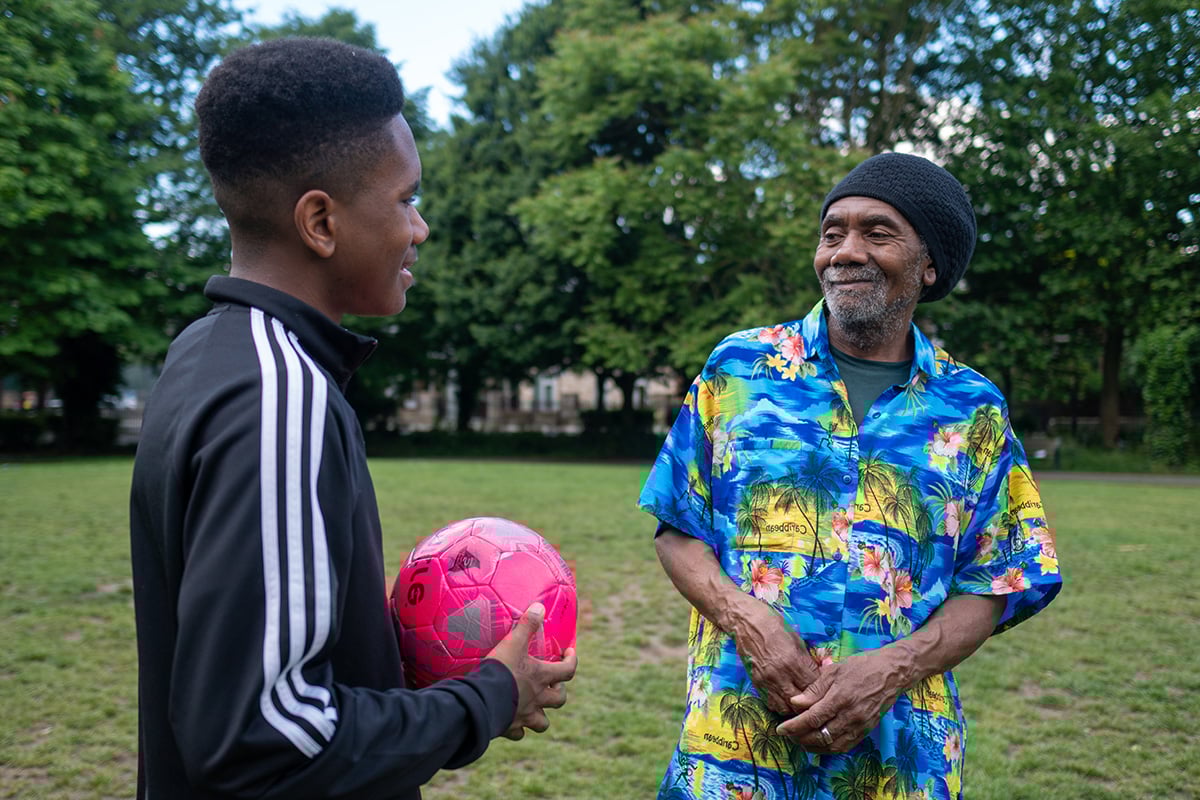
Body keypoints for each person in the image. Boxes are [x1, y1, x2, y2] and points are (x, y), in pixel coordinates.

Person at [129, 38, 576, 800]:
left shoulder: (209, 351)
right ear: (320, 223)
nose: (420, 227)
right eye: (406, 198)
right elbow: (264, 745)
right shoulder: (278, 397)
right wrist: (487, 697)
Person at [638, 153, 1062, 800]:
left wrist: (893, 669)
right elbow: (676, 528)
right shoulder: (740, 370)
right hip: (733, 756)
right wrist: (750, 622)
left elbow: (999, 579)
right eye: (832, 232)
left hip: (897, 766)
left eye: (878, 232)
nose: (845, 251)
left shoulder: (972, 409)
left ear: (929, 264)